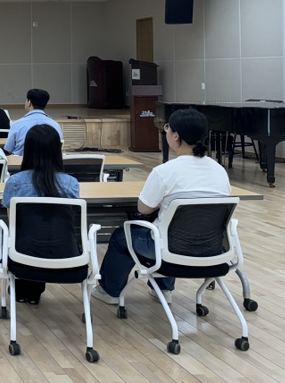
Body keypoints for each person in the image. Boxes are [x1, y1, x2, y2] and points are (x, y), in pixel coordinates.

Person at [92, 108, 231, 306]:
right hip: (211, 248)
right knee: (170, 227)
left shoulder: (164, 172)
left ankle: (109, 291)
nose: (165, 131)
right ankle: (164, 290)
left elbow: (143, 208)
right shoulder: (219, 171)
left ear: (175, 136)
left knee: (122, 236)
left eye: (167, 127)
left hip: (169, 249)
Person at [2, 124, 80, 304]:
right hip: (67, 255)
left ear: (27, 150)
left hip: (22, 255)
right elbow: (71, 218)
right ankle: (34, 288)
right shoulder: (71, 184)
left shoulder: (15, 183)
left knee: (26, 233)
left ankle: (25, 288)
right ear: (57, 151)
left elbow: (12, 221)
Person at [3, 89, 63, 156]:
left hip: (21, 164)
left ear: (29, 102)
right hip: (48, 165)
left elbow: (9, 150)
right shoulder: (55, 125)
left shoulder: (17, 124)